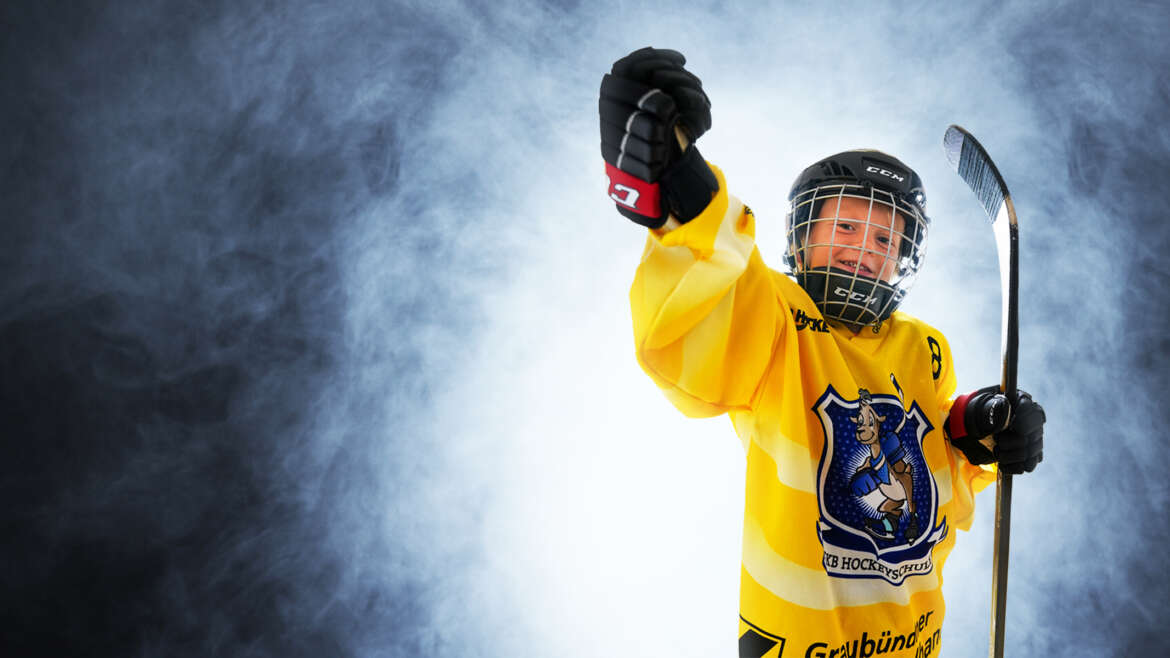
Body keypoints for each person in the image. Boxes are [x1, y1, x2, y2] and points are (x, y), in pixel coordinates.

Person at [598, 47, 1045, 657]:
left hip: (913, 640)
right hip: (799, 645)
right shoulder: (781, 318)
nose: (865, 248)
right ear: (800, 240)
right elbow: (700, 326)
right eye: (844, 227)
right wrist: (680, 191)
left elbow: (937, 469)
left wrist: (983, 429)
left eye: (885, 236)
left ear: (904, 259)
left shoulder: (925, 348)